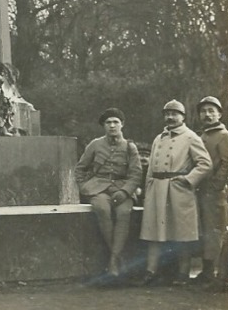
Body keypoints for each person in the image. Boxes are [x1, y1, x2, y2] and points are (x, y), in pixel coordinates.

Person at [139, 100, 212, 285]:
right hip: (157, 190)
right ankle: (151, 271)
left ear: (183, 117)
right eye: (167, 114)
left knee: (182, 234)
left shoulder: (190, 137)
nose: (170, 117)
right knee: (154, 232)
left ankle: (183, 273)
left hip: (178, 190)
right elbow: (150, 170)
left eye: (174, 114)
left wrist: (187, 180)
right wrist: (149, 188)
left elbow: (205, 164)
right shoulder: (159, 138)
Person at [75, 108, 142, 281]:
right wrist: (84, 186)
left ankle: (113, 259)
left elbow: (136, 174)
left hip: (122, 187)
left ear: (122, 125)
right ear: (103, 126)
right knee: (102, 209)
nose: (112, 126)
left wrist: (125, 191)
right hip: (98, 188)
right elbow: (80, 168)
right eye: (108, 123)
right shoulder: (95, 144)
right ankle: (116, 258)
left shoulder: (130, 147)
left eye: (115, 122)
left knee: (124, 213)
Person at [192, 95, 228, 289]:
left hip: (214, 192)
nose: (207, 115)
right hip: (201, 190)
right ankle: (206, 271)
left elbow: (226, 164)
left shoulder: (224, 136)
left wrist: (216, 187)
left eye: (211, 111)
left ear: (219, 114)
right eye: (204, 111)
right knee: (205, 230)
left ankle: (217, 274)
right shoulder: (203, 136)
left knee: (215, 231)